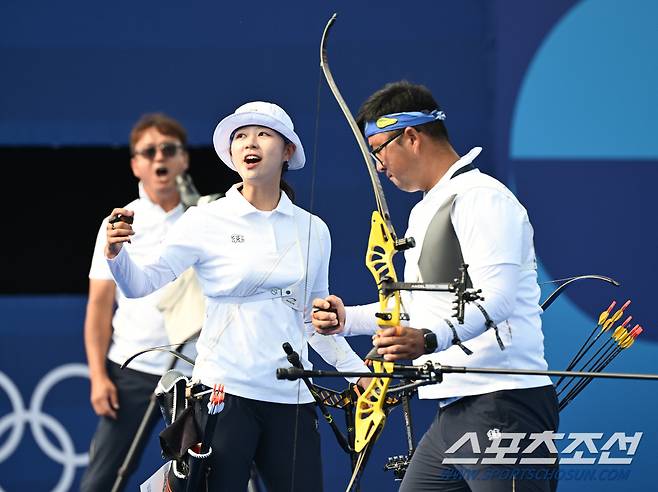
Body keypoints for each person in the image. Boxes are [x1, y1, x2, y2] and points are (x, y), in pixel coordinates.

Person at [104, 101, 368, 491]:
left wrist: (359, 375)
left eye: (263, 134)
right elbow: (140, 284)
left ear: (288, 151)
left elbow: (313, 323)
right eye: (240, 136)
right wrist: (116, 254)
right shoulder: (205, 219)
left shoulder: (314, 229)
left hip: (292, 398)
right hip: (223, 395)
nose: (250, 142)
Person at [312, 81, 559, 492]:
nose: (377, 165)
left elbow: (495, 298)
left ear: (411, 137)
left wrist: (428, 339)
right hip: (454, 410)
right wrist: (346, 320)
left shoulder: (482, 198)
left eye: (378, 149)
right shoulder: (429, 208)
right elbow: (415, 309)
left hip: (504, 403)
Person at [82, 113, 201, 491]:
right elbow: (99, 306)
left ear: (183, 159)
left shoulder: (206, 220)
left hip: (194, 370)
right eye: (148, 151)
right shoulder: (117, 224)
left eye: (169, 149)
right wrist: (99, 376)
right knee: (103, 477)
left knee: (209, 473)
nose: (159, 158)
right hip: (131, 368)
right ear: (135, 163)